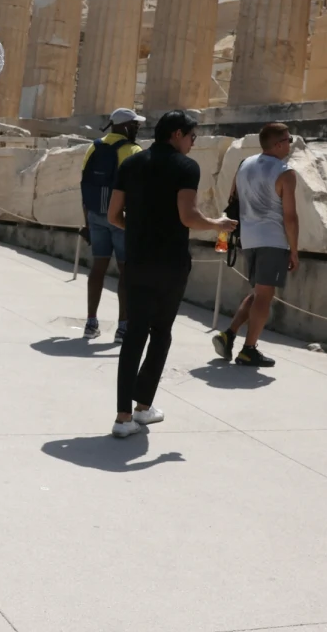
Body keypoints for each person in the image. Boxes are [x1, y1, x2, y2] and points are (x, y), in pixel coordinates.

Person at [107, 110, 236, 438]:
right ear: (177, 134)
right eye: (192, 137)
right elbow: (188, 216)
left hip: (136, 260)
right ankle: (143, 407)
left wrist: (137, 231)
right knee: (160, 332)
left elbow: (113, 215)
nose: (193, 143)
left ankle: (123, 417)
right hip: (170, 262)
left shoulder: (131, 163)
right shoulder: (185, 167)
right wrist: (217, 224)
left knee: (134, 334)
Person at [212, 123, 299, 367]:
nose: (290, 144)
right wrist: (294, 250)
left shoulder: (244, 165)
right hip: (274, 239)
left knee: (258, 292)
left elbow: (233, 200)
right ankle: (249, 349)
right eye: (288, 139)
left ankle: (228, 334)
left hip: (248, 238)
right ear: (278, 144)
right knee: (264, 296)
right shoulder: (286, 172)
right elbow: (290, 217)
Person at [79, 107, 145, 342]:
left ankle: (91, 322)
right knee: (126, 271)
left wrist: (87, 222)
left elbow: (84, 185)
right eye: (135, 125)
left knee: (98, 268)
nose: (138, 128)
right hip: (122, 217)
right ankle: (123, 326)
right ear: (126, 127)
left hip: (96, 214)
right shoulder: (133, 150)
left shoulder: (93, 146)